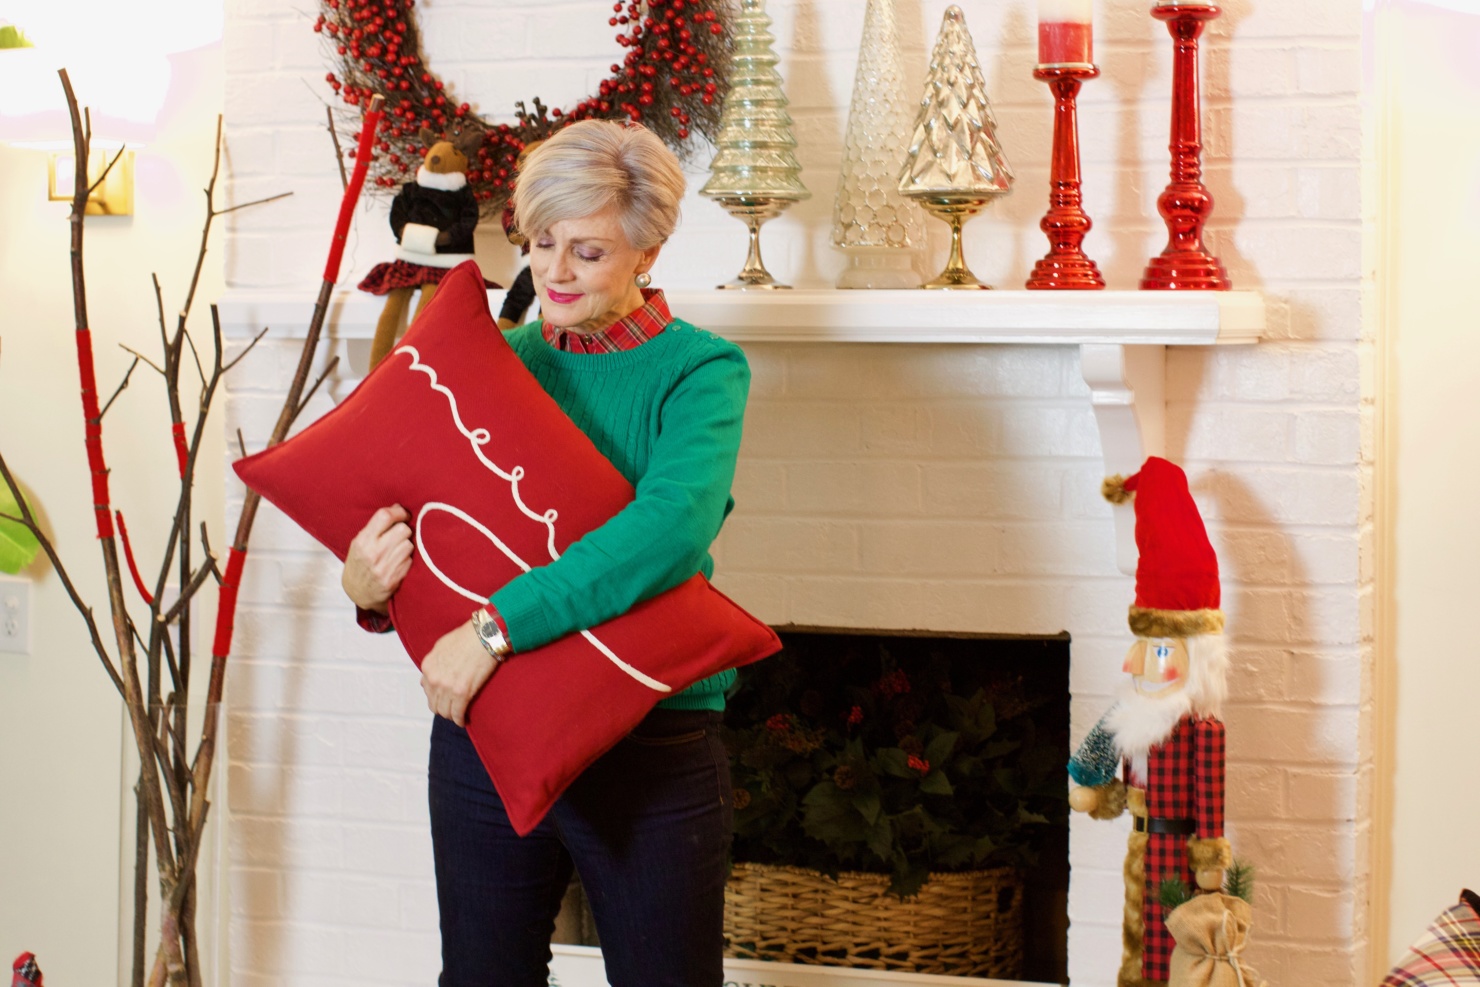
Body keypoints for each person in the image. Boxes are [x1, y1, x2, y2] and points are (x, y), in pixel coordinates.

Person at [339, 119, 752, 987]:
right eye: (542, 243)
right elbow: (440, 524)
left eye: (588, 249)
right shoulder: (494, 360)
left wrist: (494, 628)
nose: (554, 272)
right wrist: (371, 585)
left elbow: (670, 531)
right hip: (486, 729)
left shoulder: (701, 371)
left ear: (649, 247)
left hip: (651, 738)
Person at [1066, 457, 1233, 987]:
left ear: (1196, 657)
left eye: (1158, 650)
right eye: (1141, 648)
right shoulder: (1133, 711)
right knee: (1135, 943)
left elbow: (1210, 798)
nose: (1135, 665)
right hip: (1139, 844)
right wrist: (1097, 788)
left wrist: (1209, 859)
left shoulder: (1199, 730)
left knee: (1171, 952)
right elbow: (1101, 747)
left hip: (1174, 852)